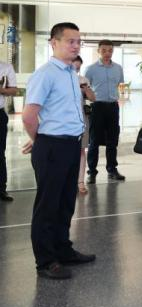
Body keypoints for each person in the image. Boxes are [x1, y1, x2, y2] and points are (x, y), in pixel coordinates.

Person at [22, 22, 95, 279]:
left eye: (78, 42)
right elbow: (29, 115)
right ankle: (45, 261)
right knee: (48, 206)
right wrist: (40, 139)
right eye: (70, 41)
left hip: (71, 144)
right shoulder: (46, 74)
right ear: (54, 43)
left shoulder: (71, 73)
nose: (76, 46)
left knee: (65, 203)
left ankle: (63, 250)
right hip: (52, 145)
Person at [84, 40, 126, 183]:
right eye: (104, 50)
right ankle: (92, 172)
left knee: (112, 140)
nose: (107, 53)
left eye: (110, 50)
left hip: (113, 106)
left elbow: (119, 84)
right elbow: (85, 89)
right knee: (94, 140)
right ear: (98, 51)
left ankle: (112, 169)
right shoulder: (90, 69)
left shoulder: (118, 68)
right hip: (97, 107)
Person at [72, 56, 96, 195]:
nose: (76, 70)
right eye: (73, 67)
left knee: (81, 150)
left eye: (78, 68)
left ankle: (80, 181)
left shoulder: (83, 79)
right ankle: (68, 181)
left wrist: (86, 89)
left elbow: (93, 98)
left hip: (81, 118)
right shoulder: (59, 79)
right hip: (64, 120)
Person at [0, 59, 17, 202]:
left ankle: (1, 189)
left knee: (0, 153)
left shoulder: (6, 67)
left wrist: (1, 90)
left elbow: (13, 90)